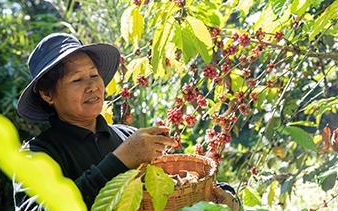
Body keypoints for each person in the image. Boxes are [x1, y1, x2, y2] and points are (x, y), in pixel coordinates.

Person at [14, 32, 240, 211]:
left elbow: (173, 186)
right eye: (77, 79)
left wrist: (220, 194)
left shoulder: (127, 135)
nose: (92, 86)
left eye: (94, 75)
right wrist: (121, 160)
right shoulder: (37, 156)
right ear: (47, 94)